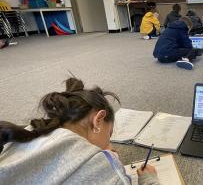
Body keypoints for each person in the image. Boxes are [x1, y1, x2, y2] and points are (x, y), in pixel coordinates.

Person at [0, 77, 160, 185]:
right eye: (109, 134)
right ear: (98, 120)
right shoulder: (99, 164)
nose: (108, 144)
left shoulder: (26, 134)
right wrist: (148, 178)